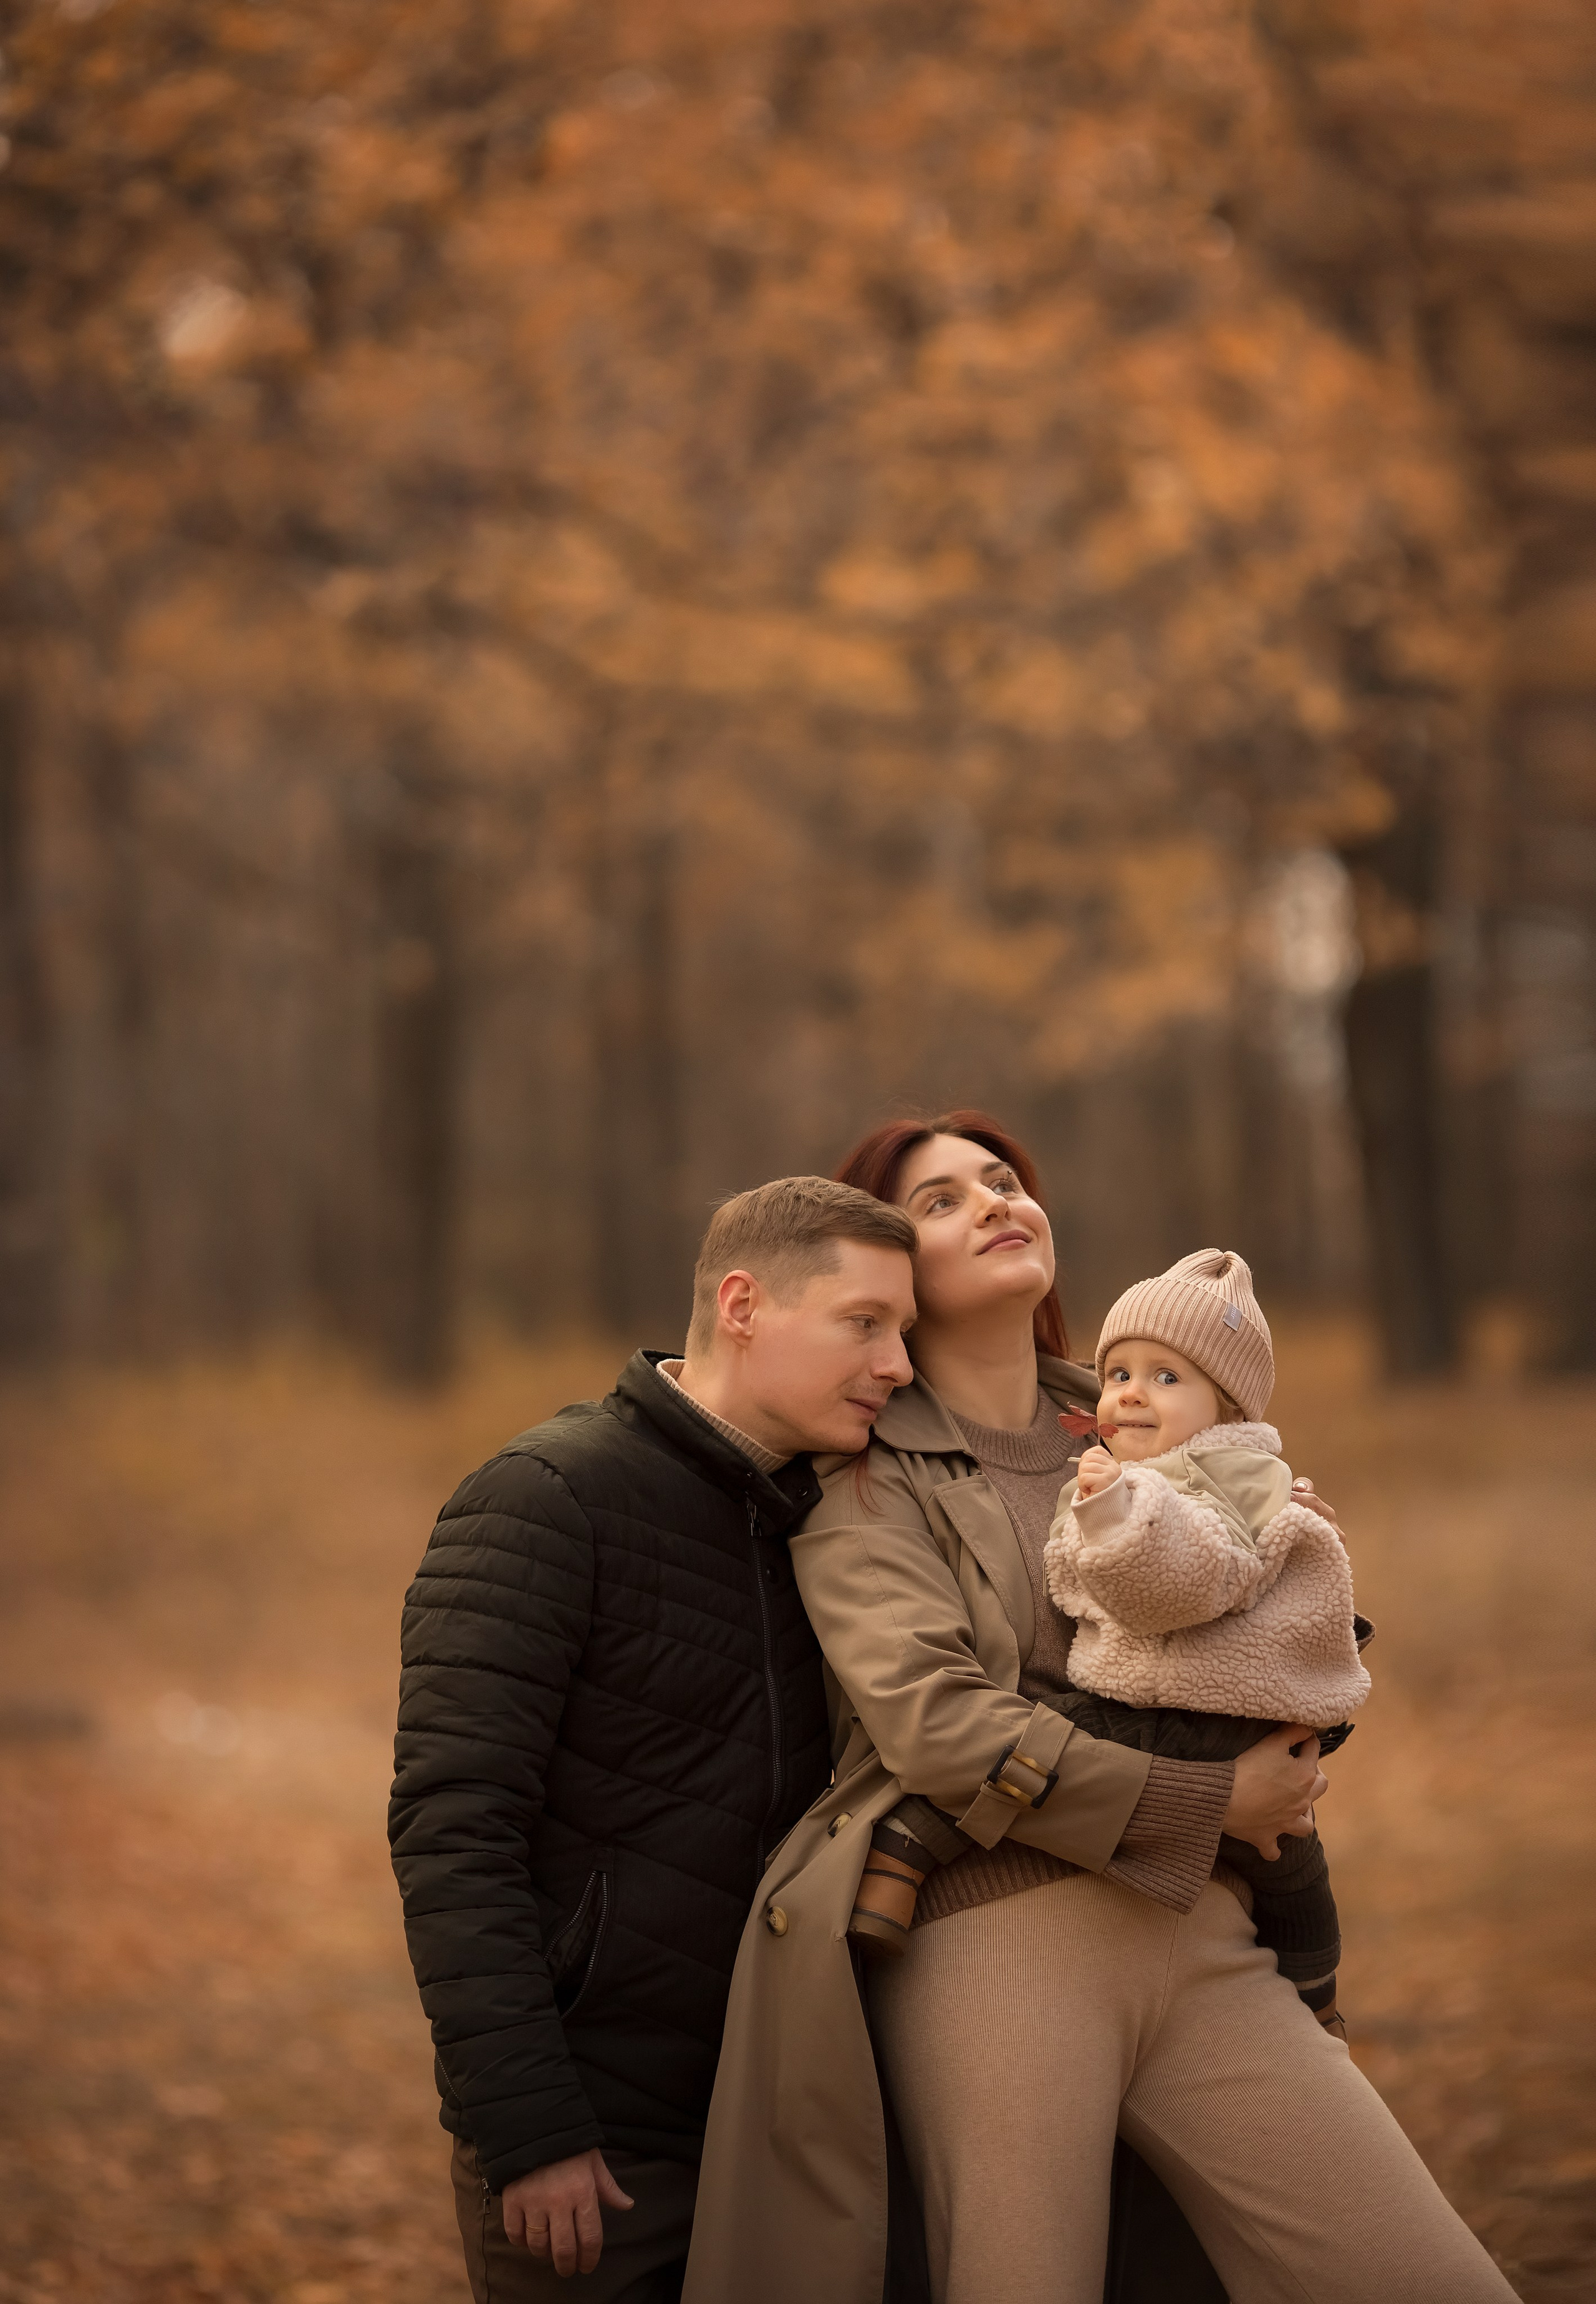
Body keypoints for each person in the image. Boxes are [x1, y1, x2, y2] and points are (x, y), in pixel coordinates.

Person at [683, 1113, 1518, 2304]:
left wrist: (1283, 1540)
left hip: (1202, 1931)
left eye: (1004, 1179)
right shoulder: (865, 1480)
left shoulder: (1167, 1421)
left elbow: (1248, 1645)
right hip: (998, 1944)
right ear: (891, 1275)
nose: (993, 1201)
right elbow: (938, 1728)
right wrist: (1212, 1796)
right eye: (941, 1201)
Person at [388, 1175, 918, 2302]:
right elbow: (454, 1832)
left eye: (905, 1332)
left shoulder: (827, 1520)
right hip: (601, 2146)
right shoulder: (545, 1498)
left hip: (779, 2127)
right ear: (743, 1304)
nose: (898, 1365)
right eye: (863, 1323)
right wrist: (529, 2128)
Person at [855, 1246, 1368, 2037]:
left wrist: (1115, 1516)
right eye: (1119, 1373)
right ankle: (1315, 1996)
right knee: (1282, 1855)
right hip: (1183, 1710)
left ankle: (1314, 1995)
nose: (1131, 1395)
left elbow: (1181, 1585)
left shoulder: (1223, 1477)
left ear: (1231, 1412)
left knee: (1275, 1848)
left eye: (1167, 1378)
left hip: (1205, 1711)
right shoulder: (1151, 1469)